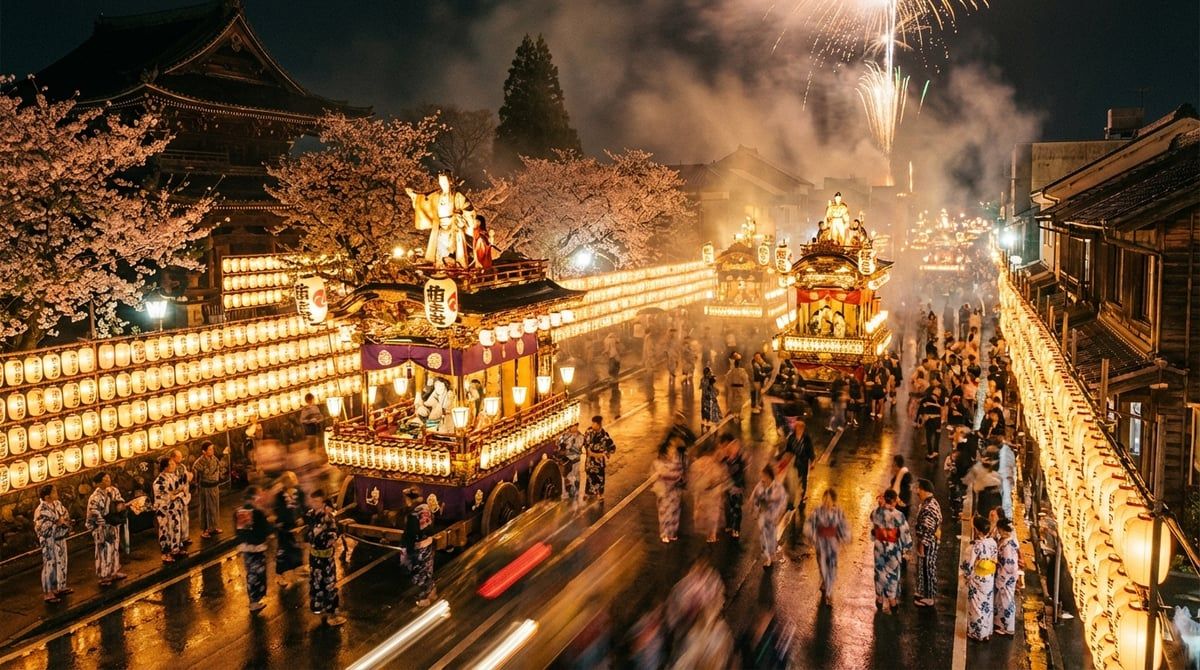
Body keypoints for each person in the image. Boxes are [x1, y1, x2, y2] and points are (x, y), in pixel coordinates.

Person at [305, 490, 345, 626]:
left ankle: (332, 614)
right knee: (316, 582)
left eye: (317, 501)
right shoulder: (311, 514)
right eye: (312, 501)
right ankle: (319, 607)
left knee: (328, 584)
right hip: (314, 556)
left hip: (325, 558)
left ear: (323, 503)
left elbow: (334, 534)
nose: (313, 504)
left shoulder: (328, 517)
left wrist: (328, 542)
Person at [804, 489, 850, 606]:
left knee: (831, 568)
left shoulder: (838, 512)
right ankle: (824, 580)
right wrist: (811, 535)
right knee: (822, 566)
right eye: (825, 499)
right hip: (820, 545)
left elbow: (844, 526)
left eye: (829, 500)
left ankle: (829, 592)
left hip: (833, 546)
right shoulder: (817, 511)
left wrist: (845, 537)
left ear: (833, 501)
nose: (826, 502)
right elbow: (809, 525)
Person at [870, 489, 913, 614]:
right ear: (894, 501)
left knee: (879, 572)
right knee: (892, 574)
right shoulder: (898, 515)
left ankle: (879, 598)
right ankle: (892, 601)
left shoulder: (876, 512)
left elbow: (873, 525)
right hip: (892, 549)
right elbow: (905, 533)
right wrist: (907, 549)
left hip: (879, 548)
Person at [85, 472, 127, 586]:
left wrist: (120, 505)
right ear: (98, 483)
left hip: (113, 524)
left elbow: (120, 500)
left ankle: (114, 571)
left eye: (108, 478)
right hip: (101, 527)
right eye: (105, 479)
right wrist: (101, 520)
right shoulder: (94, 497)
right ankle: (103, 576)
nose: (108, 480)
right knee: (103, 551)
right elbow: (93, 512)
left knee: (115, 549)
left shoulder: (113, 490)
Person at [235, 486, 272, 613]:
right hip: (257, 549)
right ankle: (255, 602)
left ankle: (253, 601)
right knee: (258, 575)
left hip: (246, 549)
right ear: (254, 497)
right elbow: (265, 530)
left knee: (251, 574)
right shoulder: (258, 512)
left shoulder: (240, 511)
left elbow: (240, 532)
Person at [961, 515, 998, 641]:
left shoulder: (976, 546)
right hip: (989, 577)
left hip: (978, 578)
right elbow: (994, 558)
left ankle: (977, 633)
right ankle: (986, 632)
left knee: (976, 606)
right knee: (987, 604)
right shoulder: (992, 542)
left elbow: (968, 564)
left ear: (977, 530)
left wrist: (966, 576)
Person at [35, 484, 71, 602]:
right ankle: (48, 592)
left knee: (62, 562)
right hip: (48, 541)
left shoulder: (57, 504)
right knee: (50, 564)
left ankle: (60, 586)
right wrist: (57, 523)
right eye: (54, 492)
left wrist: (64, 522)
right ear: (47, 496)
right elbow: (42, 529)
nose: (56, 493)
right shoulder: (41, 510)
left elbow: (65, 515)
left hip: (60, 537)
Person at [404, 488, 437, 606]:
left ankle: (425, 597)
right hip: (426, 543)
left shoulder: (416, 513)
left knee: (420, 571)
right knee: (426, 569)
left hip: (420, 545)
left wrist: (408, 544)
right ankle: (430, 592)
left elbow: (413, 532)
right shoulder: (425, 509)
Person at [273, 471, 306, 586]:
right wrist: (280, 522)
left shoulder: (299, 492)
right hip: (284, 527)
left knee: (297, 549)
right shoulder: (279, 495)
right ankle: (280, 576)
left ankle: (298, 571)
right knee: (283, 552)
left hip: (296, 526)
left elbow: (303, 506)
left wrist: (302, 517)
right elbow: (278, 510)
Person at [913, 479, 943, 607]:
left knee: (927, 568)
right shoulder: (930, 502)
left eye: (919, 489)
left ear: (925, 490)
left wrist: (921, 545)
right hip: (929, 541)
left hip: (928, 544)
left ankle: (929, 597)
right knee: (923, 567)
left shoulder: (929, 507)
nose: (917, 491)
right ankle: (923, 591)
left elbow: (928, 530)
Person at [690, 443, 728, 543]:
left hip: (703, 497)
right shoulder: (715, 465)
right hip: (711, 497)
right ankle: (711, 537)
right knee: (712, 517)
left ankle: (709, 536)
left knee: (706, 517)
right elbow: (719, 480)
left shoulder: (696, 464)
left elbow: (693, 482)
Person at [751, 465, 788, 568]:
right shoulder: (760, 486)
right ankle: (768, 557)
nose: (762, 478)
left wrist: (779, 515)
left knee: (771, 537)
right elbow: (754, 498)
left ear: (768, 476)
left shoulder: (778, 488)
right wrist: (755, 511)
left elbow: (783, 502)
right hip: (763, 516)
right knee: (764, 537)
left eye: (763, 476)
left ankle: (772, 553)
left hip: (773, 518)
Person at [651, 436, 686, 543]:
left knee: (675, 512)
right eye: (671, 449)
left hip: (675, 492)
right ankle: (664, 533)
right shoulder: (659, 462)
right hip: (664, 492)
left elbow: (679, 473)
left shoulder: (677, 460)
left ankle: (672, 533)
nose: (673, 451)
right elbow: (662, 475)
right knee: (665, 513)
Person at [153, 456, 187, 562]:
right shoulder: (159, 481)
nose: (174, 465)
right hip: (164, 511)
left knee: (176, 529)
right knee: (165, 531)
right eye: (171, 464)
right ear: (165, 467)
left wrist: (180, 492)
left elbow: (181, 488)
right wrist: (179, 493)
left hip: (175, 508)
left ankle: (175, 549)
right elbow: (170, 496)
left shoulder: (174, 476)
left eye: (173, 463)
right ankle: (166, 554)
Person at [993, 518, 1020, 637]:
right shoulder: (1010, 539)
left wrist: (1002, 579)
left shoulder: (1007, 546)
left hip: (1007, 575)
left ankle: (1008, 628)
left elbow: (1009, 565)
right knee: (1002, 599)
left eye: (999, 530)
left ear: (1003, 530)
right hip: (1007, 573)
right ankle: (1001, 622)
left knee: (1006, 600)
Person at [193, 441, 225, 539]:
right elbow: (196, 473)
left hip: (214, 486)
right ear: (204, 451)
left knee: (214, 507)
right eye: (210, 449)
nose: (212, 451)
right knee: (206, 508)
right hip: (206, 488)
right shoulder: (199, 462)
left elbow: (219, 469)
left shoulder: (214, 459)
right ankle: (205, 529)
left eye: (212, 449)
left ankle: (214, 527)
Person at [783, 420, 815, 510]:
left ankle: (801, 499)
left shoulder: (806, 438)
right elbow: (788, 450)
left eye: (801, 428)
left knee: (803, 482)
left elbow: (810, 450)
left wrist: (812, 461)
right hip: (794, 463)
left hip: (803, 463)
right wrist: (784, 460)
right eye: (797, 428)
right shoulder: (791, 438)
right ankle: (791, 502)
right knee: (792, 483)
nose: (799, 430)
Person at [720, 434, 747, 539]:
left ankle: (736, 529)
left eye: (734, 448)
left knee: (736, 508)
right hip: (727, 488)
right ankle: (729, 525)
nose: (732, 450)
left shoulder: (740, 459)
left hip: (737, 488)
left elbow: (739, 472)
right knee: (728, 507)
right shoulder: (726, 459)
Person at [583, 416, 616, 499]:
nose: (592, 425)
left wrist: (605, 453)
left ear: (598, 425)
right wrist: (588, 450)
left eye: (594, 423)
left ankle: (600, 494)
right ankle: (589, 493)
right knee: (589, 476)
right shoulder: (589, 431)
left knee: (599, 478)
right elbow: (585, 443)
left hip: (598, 461)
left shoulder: (604, 436)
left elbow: (612, 447)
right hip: (589, 461)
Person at [170, 449, 194, 547]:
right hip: (176, 497)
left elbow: (187, 477)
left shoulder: (182, 466)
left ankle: (185, 537)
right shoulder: (170, 468)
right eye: (178, 457)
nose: (180, 458)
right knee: (177, 519)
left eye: (181, 457)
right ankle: (178, 539)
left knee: (185, 516)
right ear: (173, 457)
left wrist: (190, 476)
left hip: (184, 496)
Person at [556, 423, 585, 501]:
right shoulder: (565, 435)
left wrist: (568, 448)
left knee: (575, 476)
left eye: (573, 426)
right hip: (566, 461)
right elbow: (559, 443)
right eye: (571, 426)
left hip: (575, 460)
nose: (571, 428)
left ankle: (575, 492)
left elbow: (577, 448)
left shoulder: (580, 437)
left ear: (577, 426)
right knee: (566, 476)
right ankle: (568, 492)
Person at [918, 387, 945, 460]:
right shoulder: (929, 400)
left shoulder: (938, 401)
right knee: (932, 437)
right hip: (933, 420)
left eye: (939, 391)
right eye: (937, 390)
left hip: (933, 420)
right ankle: (933, 452)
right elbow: (922, 410)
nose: (938, 392)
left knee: (931, 437)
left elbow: (921, 410)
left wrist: (922, 419)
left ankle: (932, 452)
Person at [700, 367, 722, 432]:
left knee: (704, 412)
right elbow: (711, 389)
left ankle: (703, 425)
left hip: (703, 398)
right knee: (708, 412)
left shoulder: (702, 379)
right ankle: (708, 427)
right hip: (708, 398)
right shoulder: (708, 380)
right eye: (709, 372)